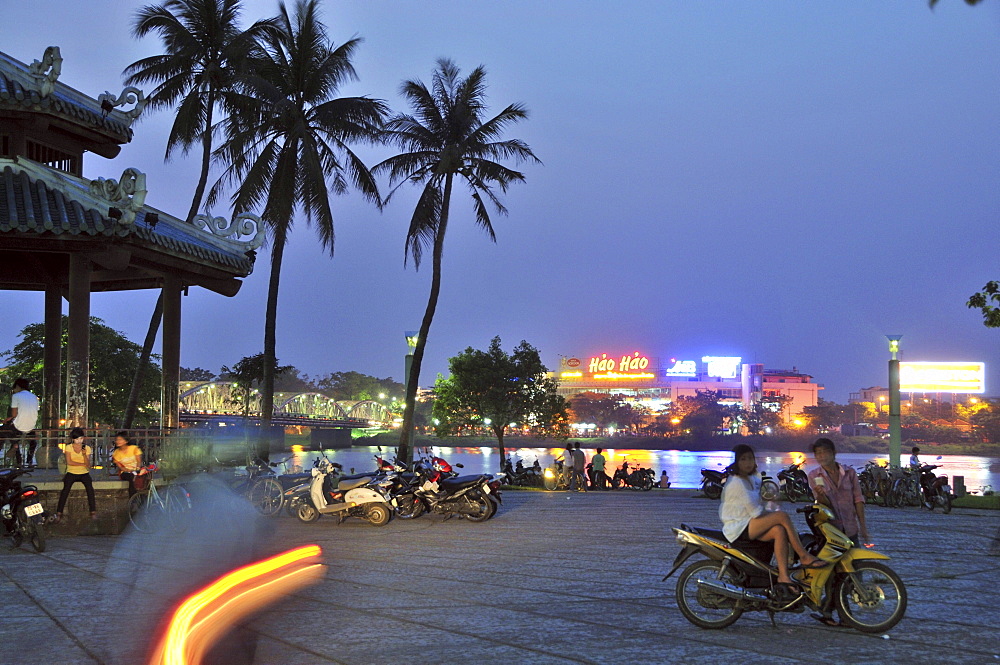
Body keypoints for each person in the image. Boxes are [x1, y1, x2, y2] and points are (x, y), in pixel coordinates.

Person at [720, 444, 827, 599]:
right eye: (743, 459)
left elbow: (760, 504)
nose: (748, 462)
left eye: (750, 458)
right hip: (738, 527)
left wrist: (771, 504)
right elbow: (756, 512)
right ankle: (803, 556)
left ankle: (783, 575)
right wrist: (773, 512)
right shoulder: (737, 483)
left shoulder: (751, 479)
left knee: (779, 530)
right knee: (782, 517)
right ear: (737, 462)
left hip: (748, 522)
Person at [807, 437, 870, 627]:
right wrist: (820, 495)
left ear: (833, 453)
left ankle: (828, 608)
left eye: (825, 452)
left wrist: (863, 527)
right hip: (831, 533)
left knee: (854, 572)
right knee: (833, 574)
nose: (821, 456)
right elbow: (822, 506)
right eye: (818, 453)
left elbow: (858, 499)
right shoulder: (814, 475)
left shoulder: (849, 473)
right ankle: (842, 615)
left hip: (849, 529)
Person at [53, 427, 97, 523]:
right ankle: (59, 512)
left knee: (90, 489)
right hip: (72, 472)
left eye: (81, 438)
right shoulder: (69, 447)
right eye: (77, 439)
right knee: (65, 491)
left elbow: (88, 464)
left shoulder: (87, 448)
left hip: (84, 473)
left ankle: (93, 512)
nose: (79, 441)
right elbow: (69, 462)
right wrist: (82, 464)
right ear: (73, 439)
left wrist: (84, 454)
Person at [1, 378, 39, 468]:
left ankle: (16, 451)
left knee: (3, 431)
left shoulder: (16, 396)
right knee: (32, 442)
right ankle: (29, 461)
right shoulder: (34, 397)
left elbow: (14, 414)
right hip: (31, 426)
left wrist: (9, 419)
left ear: (17, 386)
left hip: (18, 427)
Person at [112, 431, 143, 497]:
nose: (118, 441)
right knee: (131, 479)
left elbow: (139, 461)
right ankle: (133, 498)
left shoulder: (134, 448)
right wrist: (129, 471)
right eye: (117, 440)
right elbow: (121, 467)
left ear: (126, 441)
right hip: (125, 472)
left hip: (136, 470)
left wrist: (137, 469)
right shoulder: (116, 453)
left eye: (120, 440)